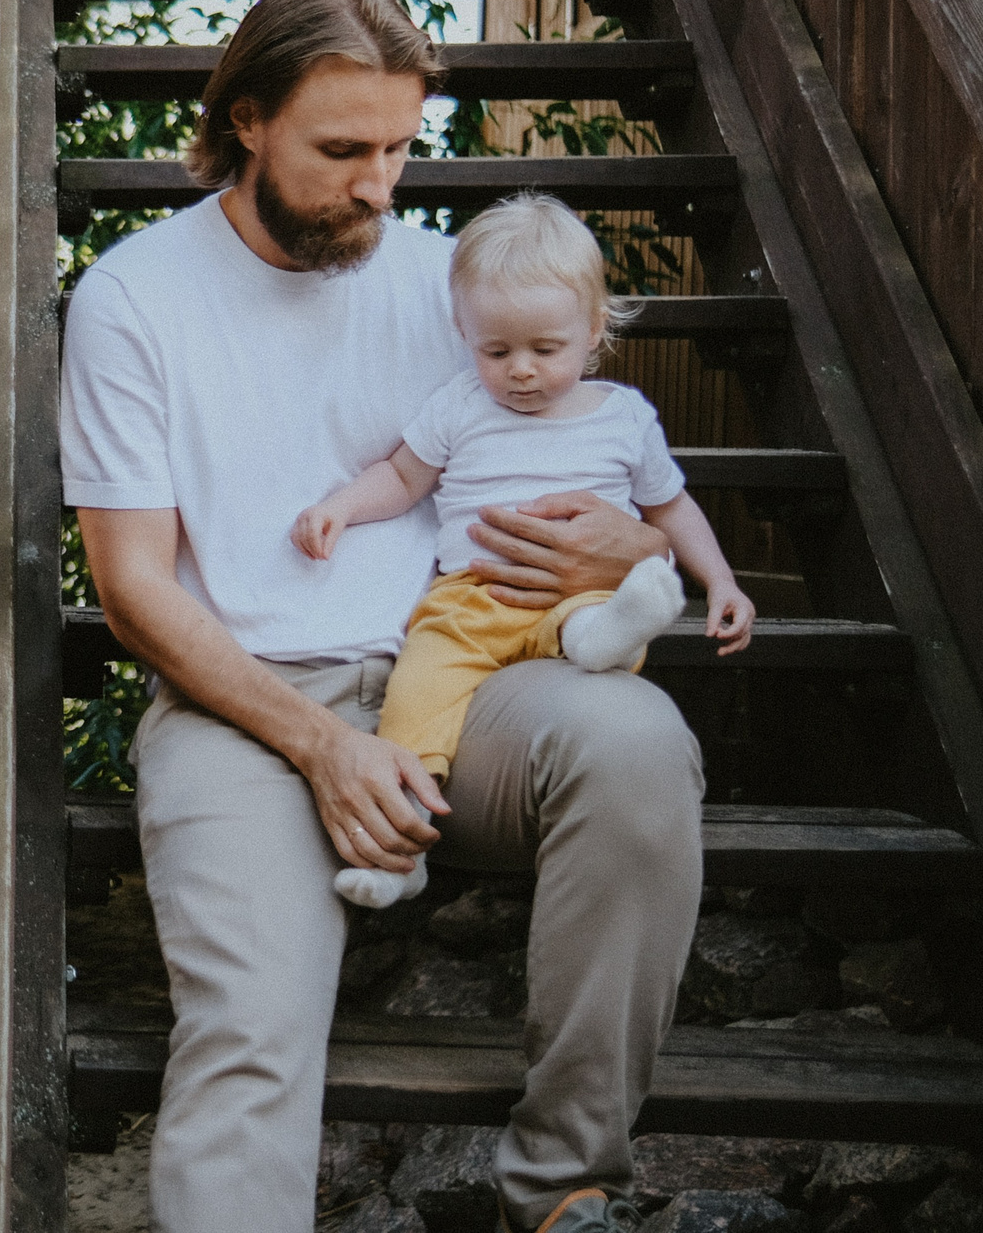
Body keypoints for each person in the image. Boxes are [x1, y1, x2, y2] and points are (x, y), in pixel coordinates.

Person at [59, 0, 703, 1233]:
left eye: (401, 148)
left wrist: (626, 545)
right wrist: (323, 749)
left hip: (465, 679)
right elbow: (132, 591)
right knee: (247, 1033)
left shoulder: (451, 291)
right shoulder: (133, 299)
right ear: (245, 119)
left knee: (637, 748)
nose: (378, 184)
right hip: (243, 706)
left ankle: (562, 1187)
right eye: (342, 147)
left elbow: (610, 474)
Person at [291, 192, 755, 909]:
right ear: (463, 333)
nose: (522, 371)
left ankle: (608, 635)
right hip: (470, 601)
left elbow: (670, 505)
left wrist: (720, 582)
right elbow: (402, 477)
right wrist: (339, 509)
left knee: (606, 612)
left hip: (581, 597)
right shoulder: (459, 406)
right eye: (496, 351)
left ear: (595, 329)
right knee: (416, 692)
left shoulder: (624, 418)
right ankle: (403, 844)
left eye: (546, 349)